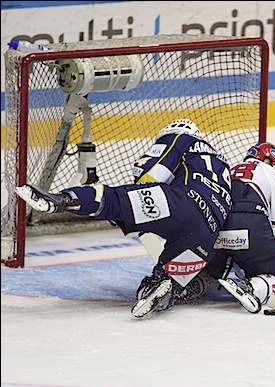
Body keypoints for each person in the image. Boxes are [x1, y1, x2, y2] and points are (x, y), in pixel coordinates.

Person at [15, 119, 233, 319]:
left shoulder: (181, 137)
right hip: (207, 233)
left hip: (179, 203)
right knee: (164, 280)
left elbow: (149, 174)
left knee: (112, 200)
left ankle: (61, 199)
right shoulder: (223, 164)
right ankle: (164, 288)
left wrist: (130, 208)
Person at [194, 142, 275, 313]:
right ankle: (252, 288)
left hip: (215, 230)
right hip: (251, 226)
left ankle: (196, 283)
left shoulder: (229, 169)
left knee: (214, 271)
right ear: (272, 161)